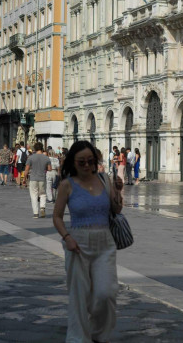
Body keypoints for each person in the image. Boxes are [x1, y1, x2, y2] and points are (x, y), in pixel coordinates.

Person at [53, 141, 123, 343]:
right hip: (77, 243)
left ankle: (99, 334)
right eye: (81, 162)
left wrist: (118, 190)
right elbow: (57, 216)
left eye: (90, 161)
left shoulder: (104, 179)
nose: (86, 165)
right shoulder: (67, 184)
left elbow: (116, 210)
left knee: (106, 292)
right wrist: (67, 238)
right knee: (79, 295)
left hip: (105, 242)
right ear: (73, 163)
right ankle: (78, 338)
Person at [24, 143, 51, 218]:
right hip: (42, 178)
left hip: (33, 178)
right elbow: (49, 169)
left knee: (34, 195)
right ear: (42, 148)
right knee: (42, 194)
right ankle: (42, 207)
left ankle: (36, 213)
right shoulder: (46, 158)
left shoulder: (31, 157)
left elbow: (26, 169)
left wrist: (24, 179)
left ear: (35, 149)